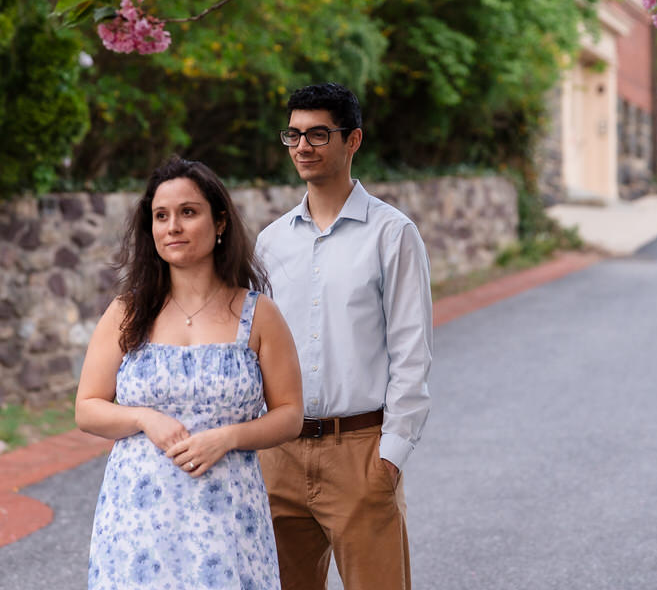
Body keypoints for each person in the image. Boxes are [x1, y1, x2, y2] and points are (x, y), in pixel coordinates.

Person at [77, 156, 304, 590]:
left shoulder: (257, 315)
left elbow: (290, 413)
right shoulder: (127, 312)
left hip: (227, 516)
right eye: (160, 216)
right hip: (137, 520)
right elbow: (87, 408)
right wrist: (144, 418)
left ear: (220, 223)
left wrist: (229, 437)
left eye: (188, 212)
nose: (172, 227)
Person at [255, 83, 433, 590]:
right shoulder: (271, 242)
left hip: (360, 453)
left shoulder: (393, 234)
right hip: (280, 456)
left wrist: (390, 457)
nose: (302, 147)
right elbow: (256, 348)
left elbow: (411, 353)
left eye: (318, 134)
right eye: (293, 134)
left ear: (352, 140)